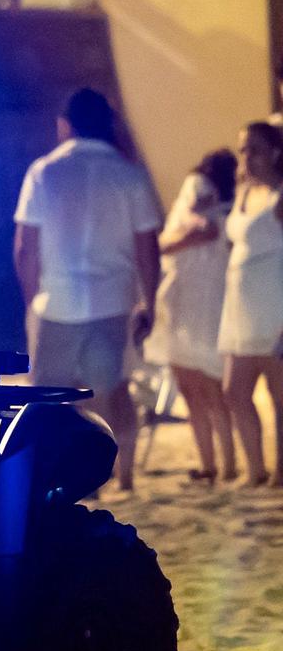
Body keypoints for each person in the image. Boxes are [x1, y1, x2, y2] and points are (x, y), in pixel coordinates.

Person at [13, 88, 162, 492]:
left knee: (50, 398)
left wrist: (32, 302)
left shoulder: (44, 172)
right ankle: (125, 475)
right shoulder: (130, 175)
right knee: (113, 390)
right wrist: (149, 300)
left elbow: (26, 248)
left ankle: (73, 481)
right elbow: (147, 248)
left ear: (65, 125)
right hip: (113, 300)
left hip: (57, 302)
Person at [142, 149, 236, 483]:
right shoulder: (229, 206)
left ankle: (221, 464)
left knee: (203, 390)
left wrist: (164, 246)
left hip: (195, 301)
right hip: (195, 300)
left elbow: (203, 230)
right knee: (202, 390)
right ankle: (216, 464)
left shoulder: (201, 188)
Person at [216, 121, 283, 486]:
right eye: (243, 149)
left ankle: (280, 472)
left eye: (254, 149)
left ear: (274, 152)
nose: (246, 156)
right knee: (234, 390)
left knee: (279, 394)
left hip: (274, 301)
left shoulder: (280, 195)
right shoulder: (243, 192)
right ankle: (254, 467)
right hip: (241, 303)